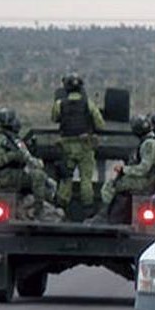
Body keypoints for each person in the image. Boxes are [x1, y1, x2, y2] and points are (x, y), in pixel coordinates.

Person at [0, 107, 63, 221]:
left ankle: (42, 208)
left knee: (46, 182)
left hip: (13, 174)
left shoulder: (14, 139)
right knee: (38, 176)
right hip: (3, 176)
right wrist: (14, 156)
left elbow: (28, 158)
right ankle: (39, 211)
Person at [51, 73, 105, 217]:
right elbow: (100, 124)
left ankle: (61, 207)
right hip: (85, 146)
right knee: (86, 179)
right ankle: (88, 209)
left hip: (67, 146)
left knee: (66, 178)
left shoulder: (59, 104)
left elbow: (54, 118)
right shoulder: (88, 104)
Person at [94, 115, 155, 223]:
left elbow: (144, 168)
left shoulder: (149, 144)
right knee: (115, 182)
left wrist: (125, 170)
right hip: (145, 178)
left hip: (145, 180)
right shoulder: (148, 142)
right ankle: (111, 213)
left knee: (111, 185)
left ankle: (105, 215)